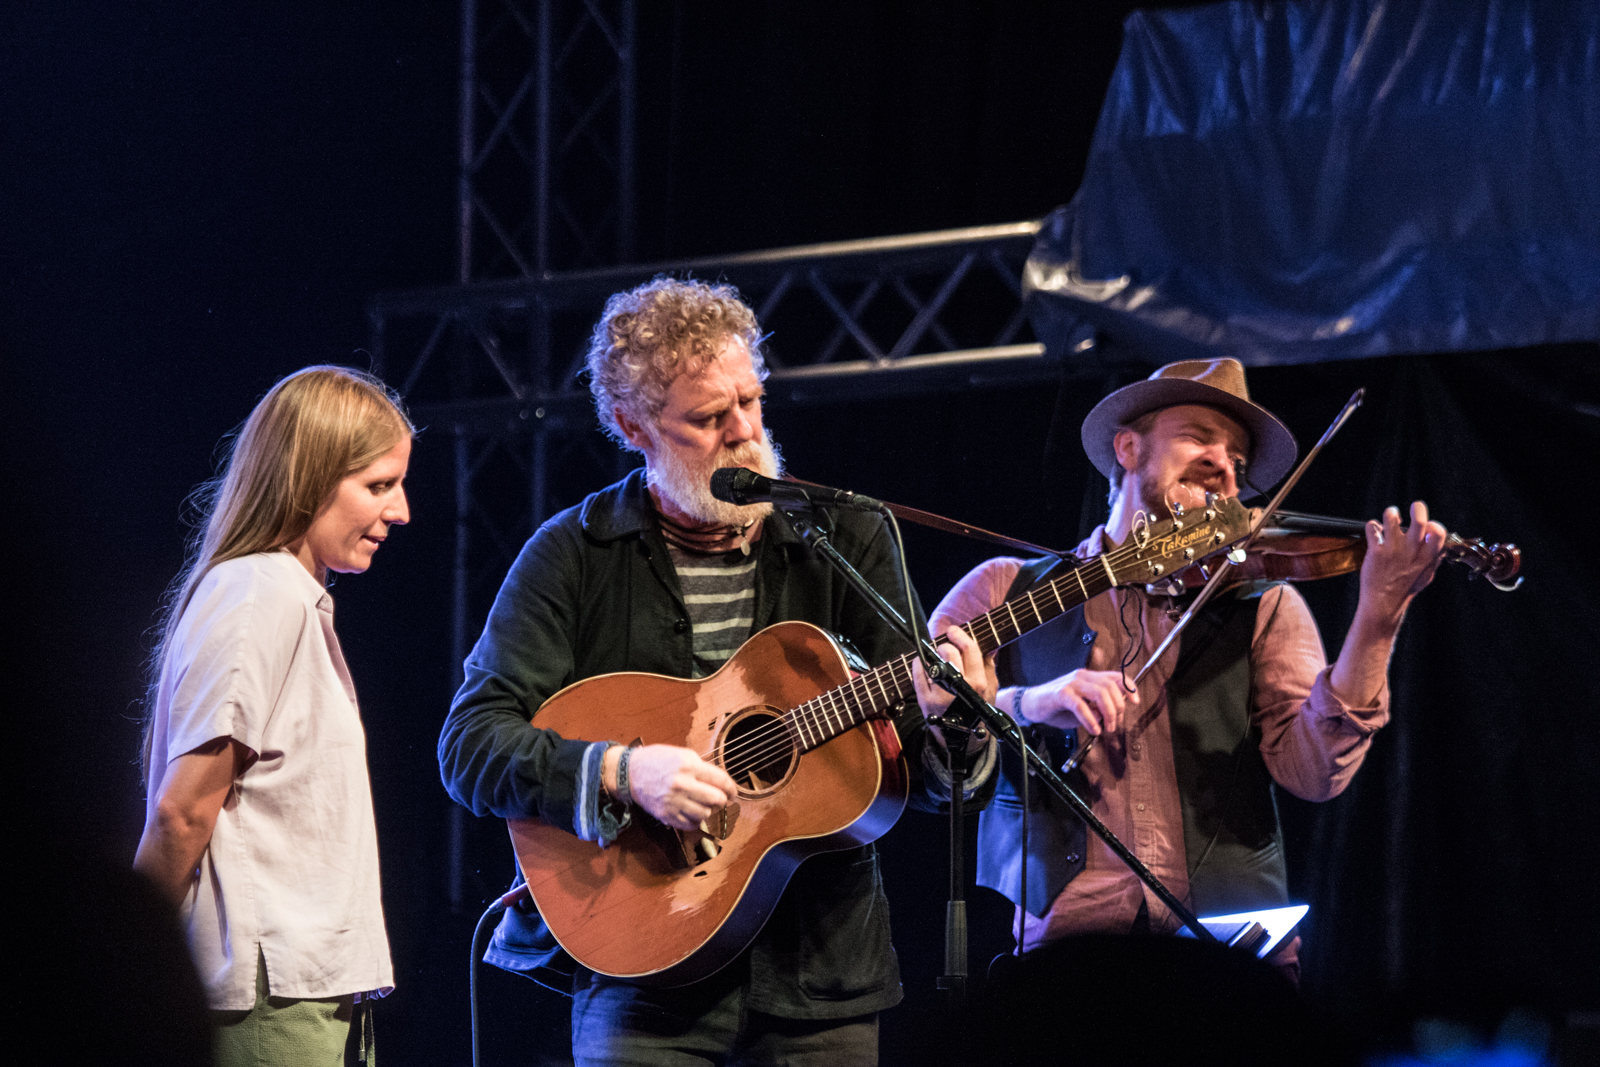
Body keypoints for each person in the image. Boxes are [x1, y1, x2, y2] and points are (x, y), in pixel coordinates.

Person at [438, 277, 995, 1066]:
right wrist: (622, 771)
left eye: (751, 401)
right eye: (707, 417)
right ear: (634, 425)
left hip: (822, 974)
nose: (743, 431)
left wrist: (951, 718)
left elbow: (932, 777)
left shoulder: (848, 533)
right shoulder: (573, 553)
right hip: (642, 971)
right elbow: (469, 744)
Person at [930, 357, 1447, 982]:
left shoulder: (1266, 603)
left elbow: (1315, 774)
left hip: (1230, 956)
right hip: (1069, 956)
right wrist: (1029, 702)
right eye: (1199, 435)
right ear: (1127, 447)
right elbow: (927, 739)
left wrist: (1378, 617)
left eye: (1237, 459)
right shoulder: (1002, 591)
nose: (1223, 465)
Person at [134, 366, 413, 1065]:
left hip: (313, 990)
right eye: (378, 485)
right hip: (268, 996)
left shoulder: (293, 599)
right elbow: (183, 812)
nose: (402, 510)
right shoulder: (257, 592)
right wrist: (123, 966)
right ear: (307, 477)